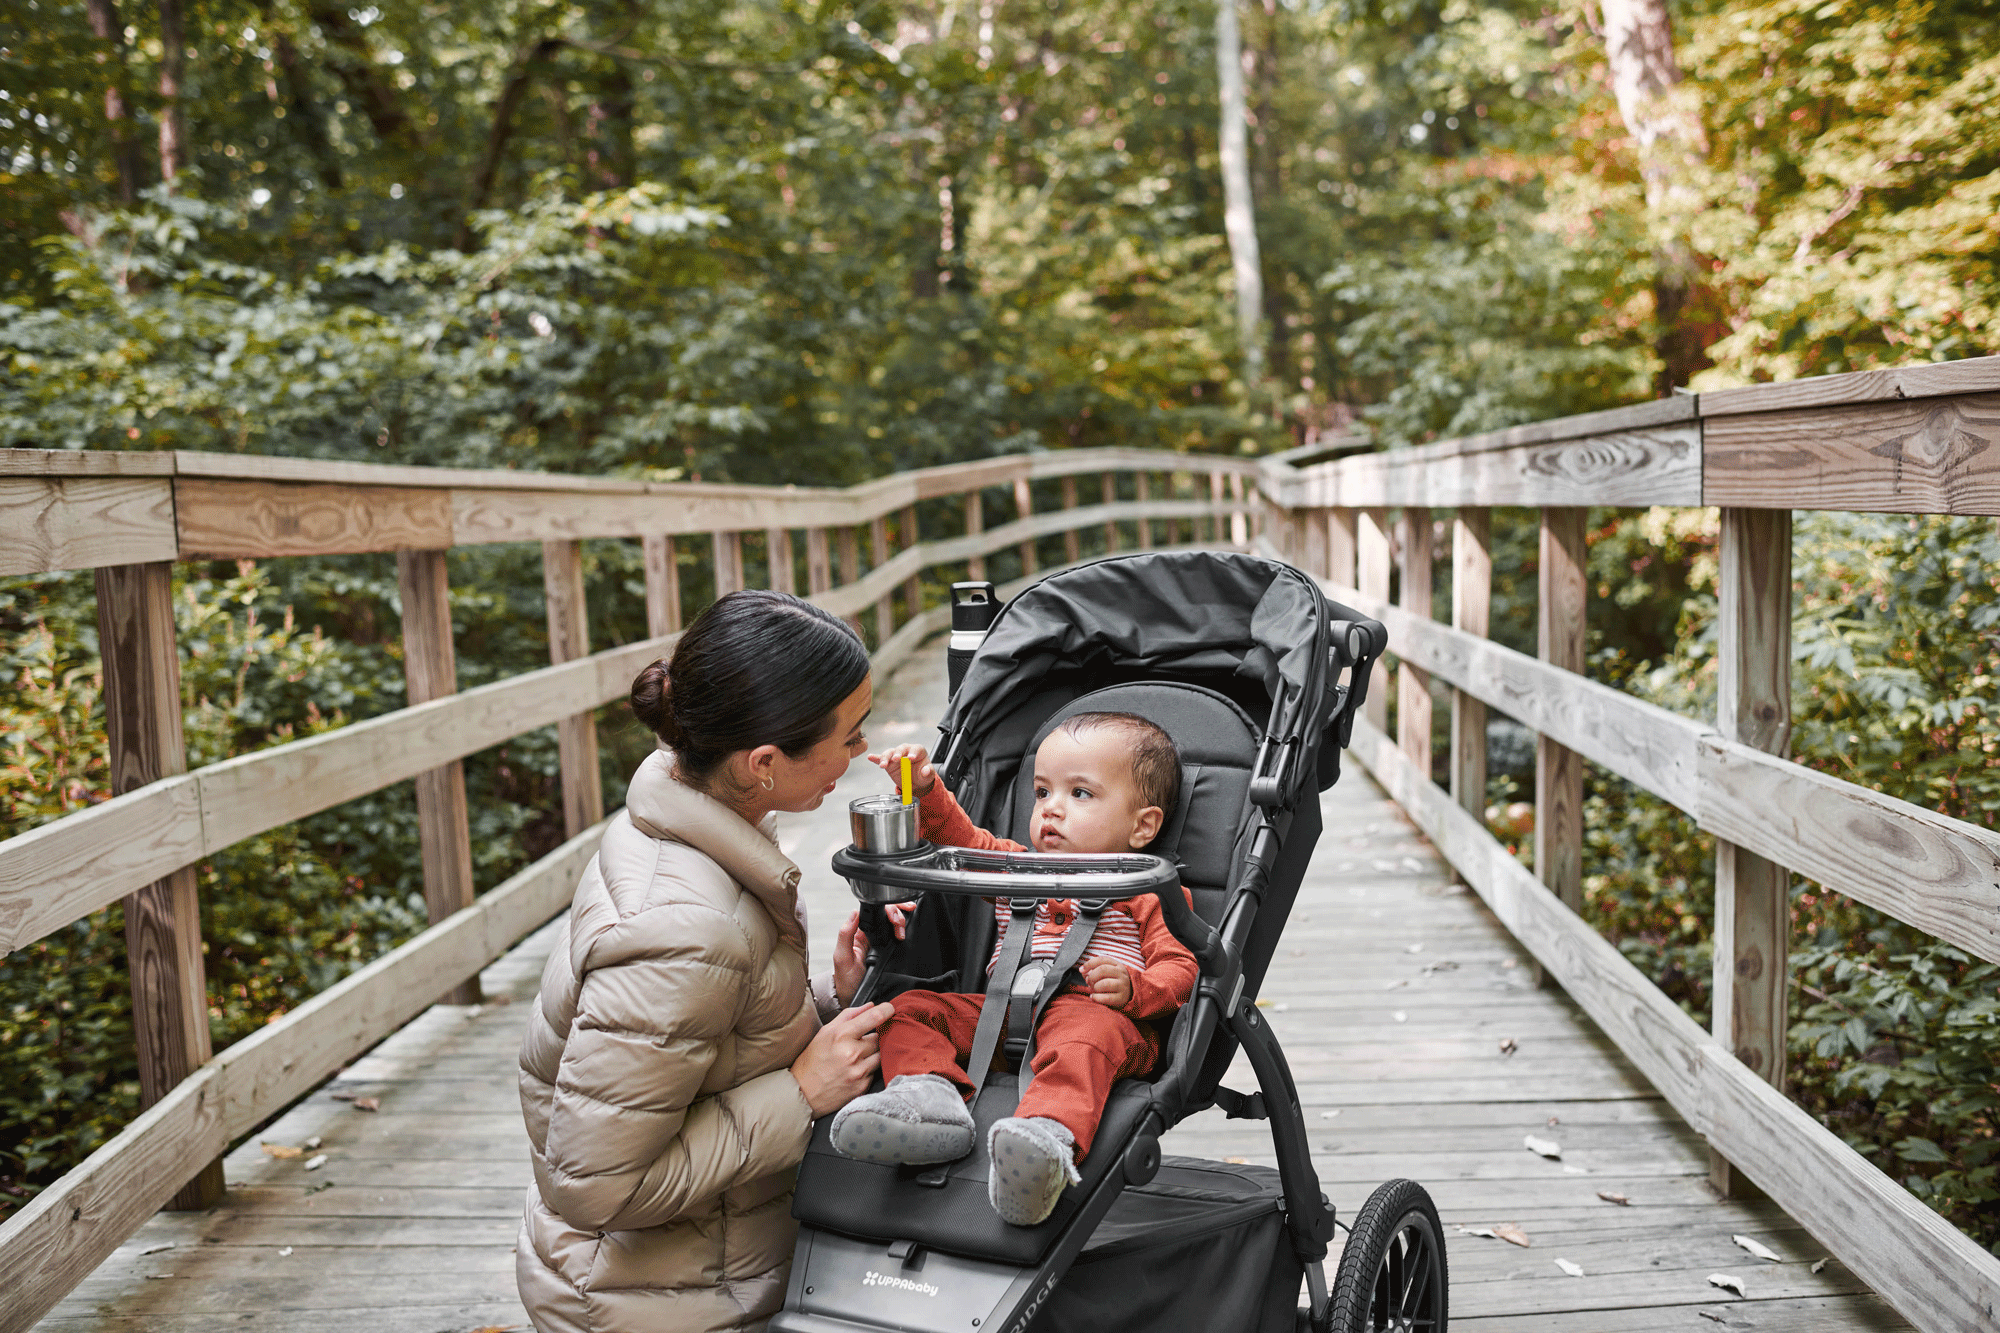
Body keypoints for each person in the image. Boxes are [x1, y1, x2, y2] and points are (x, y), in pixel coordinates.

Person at [516, 590, 902, 1333]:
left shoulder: (692, 826)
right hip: (658, 1305)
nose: (859, 754)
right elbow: (592, 1186)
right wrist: (801, 1092)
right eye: (850, 736)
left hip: (700, 1270)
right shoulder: (684, 926)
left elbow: (695, 1039)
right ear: (762, 761)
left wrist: (824, 998)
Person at [832, 714, 1198, 1227]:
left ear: (1143, 826)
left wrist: (1136, 988)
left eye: (1081, 795)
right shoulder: (1018, 867)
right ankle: (928, 1103)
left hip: (1101, 1020)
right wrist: (925, 786)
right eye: (1042, 791)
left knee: (1085, 1038)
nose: (1051, 808)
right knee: (907, 1010)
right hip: (999, 1017)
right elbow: (962, 842)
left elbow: (1182, 966)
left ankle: (1041, 1145)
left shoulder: (1147, 889)